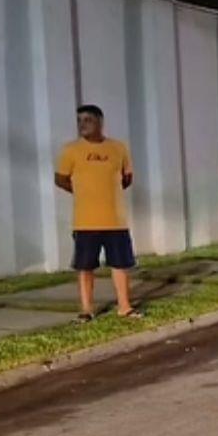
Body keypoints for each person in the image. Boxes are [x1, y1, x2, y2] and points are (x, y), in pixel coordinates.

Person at [54, 105, 142, 322]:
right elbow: (60, 178)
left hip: (115, 221)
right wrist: (84, 192)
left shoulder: (118, 148)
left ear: (100, 122)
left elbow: (127, 177)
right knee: (85, 267)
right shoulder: (71, 150)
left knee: (120, 265)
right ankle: (86, 310)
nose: (83, 124)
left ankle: (125, 307)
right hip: (85, 222)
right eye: (79, 121)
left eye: (88, 120)